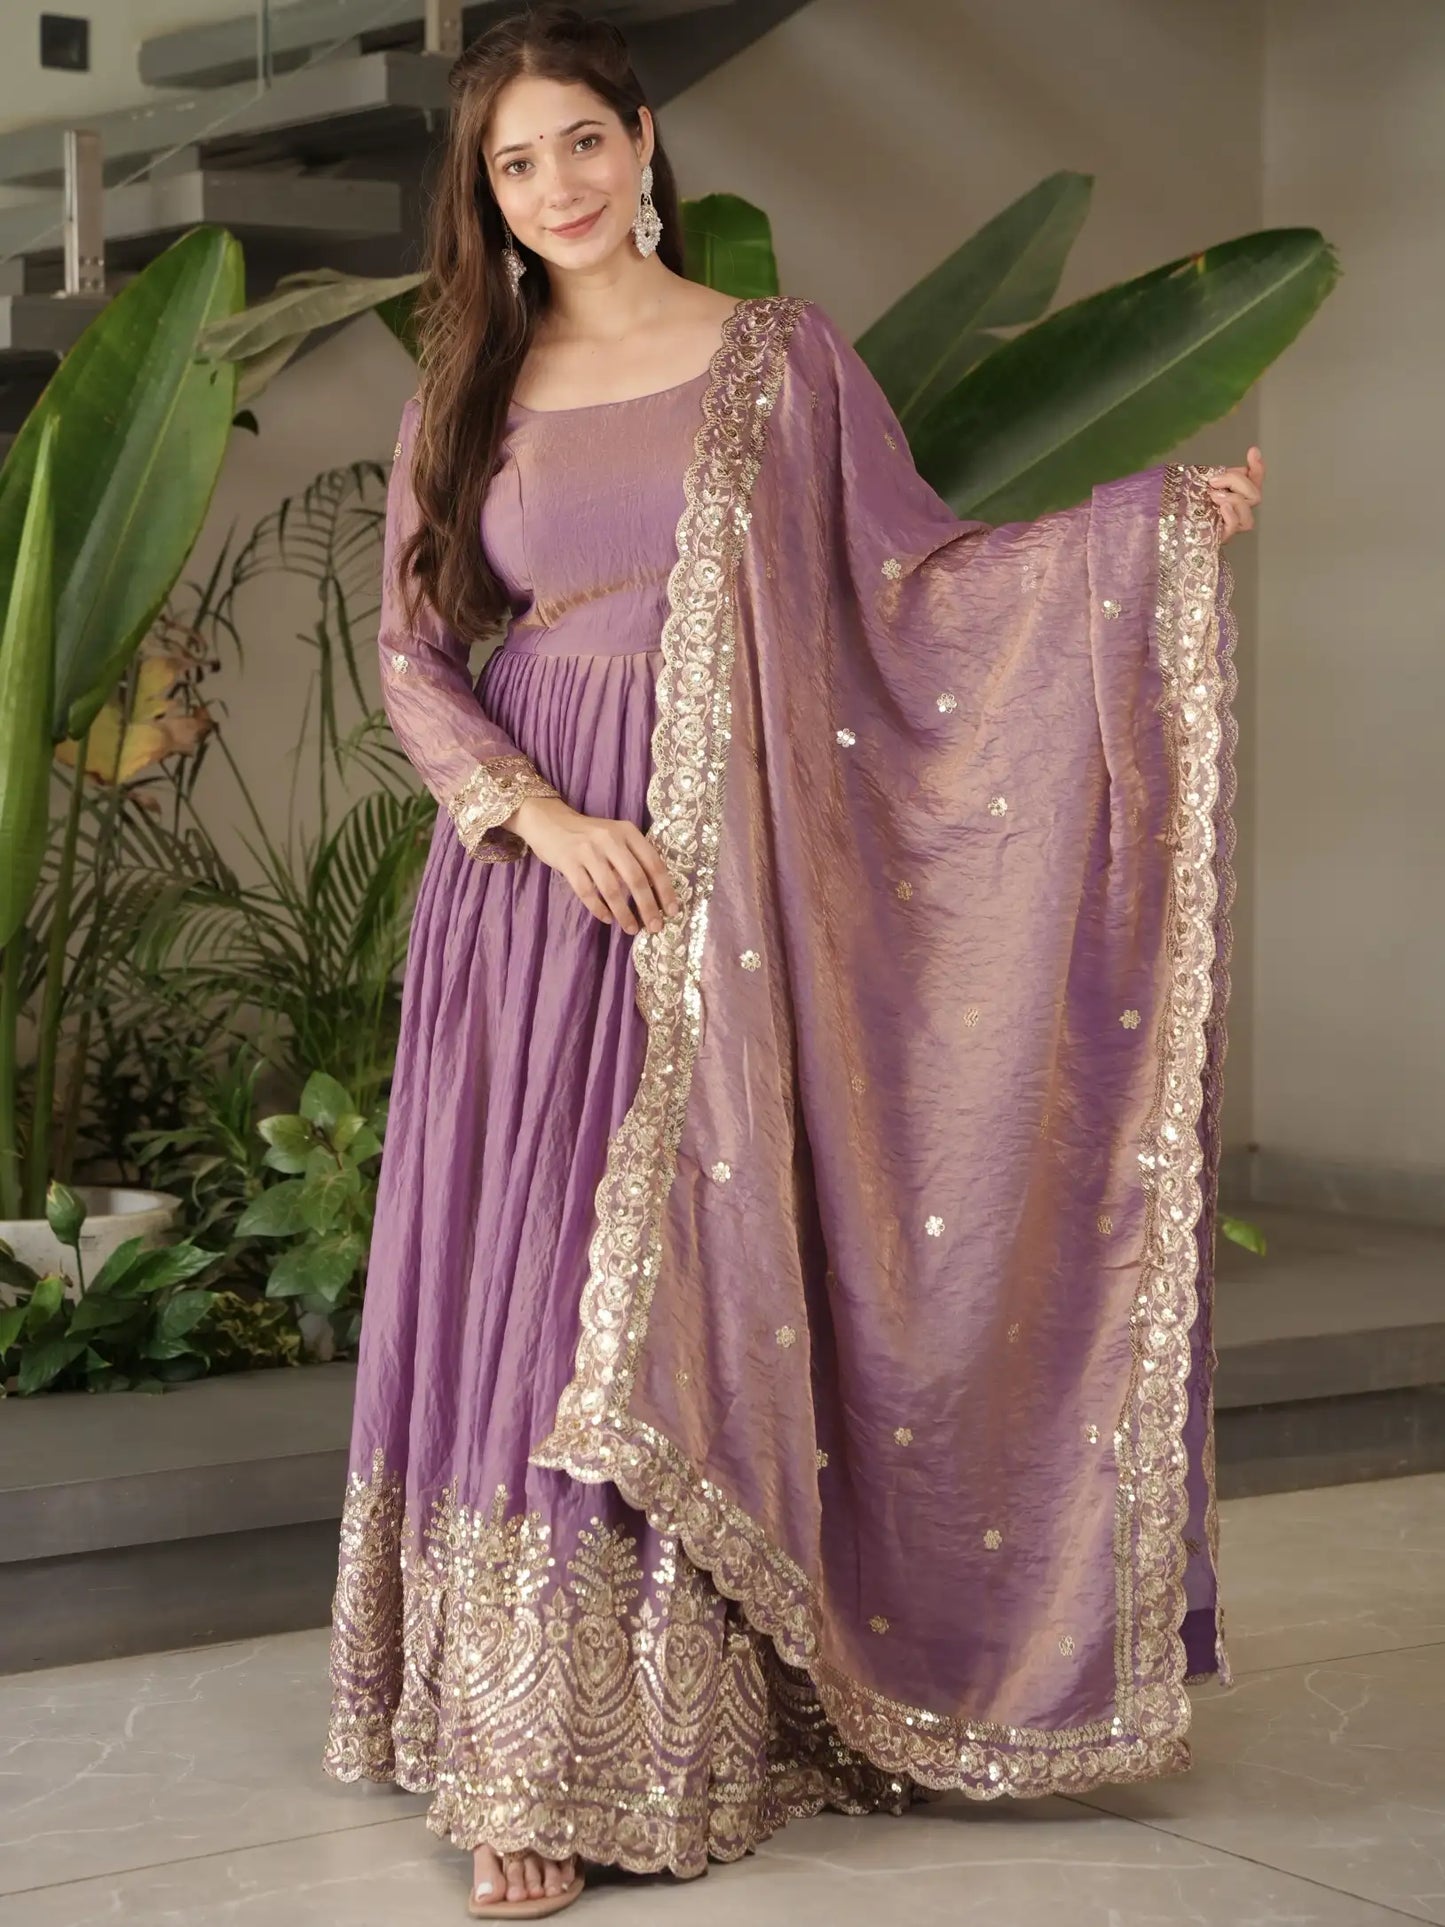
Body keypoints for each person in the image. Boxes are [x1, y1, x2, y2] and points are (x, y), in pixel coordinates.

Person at [321, 5, 1264, 1919]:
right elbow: (413, 653)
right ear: (483, 196)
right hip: (541, 891)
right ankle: (520, 1750)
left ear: (641, 141)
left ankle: (687, 1712)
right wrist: (535, 817)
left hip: (728, 891)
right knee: (534, 1284)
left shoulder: (778, 359)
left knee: (673, 1288)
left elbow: (915, 586)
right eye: (515, 163)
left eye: (583, 141)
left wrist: (1143, 542)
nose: (558, 186)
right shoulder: (466, 382)